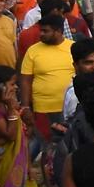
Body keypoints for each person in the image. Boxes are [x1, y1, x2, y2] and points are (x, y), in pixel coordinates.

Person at [19, 14, 75, 153]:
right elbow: (25, 80)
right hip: (43, 108)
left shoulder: (73, 48)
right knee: (47, 147)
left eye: (45, 31)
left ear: (58, 31)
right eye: (41, 30)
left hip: (69, 109)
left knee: (67, 146)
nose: (41, 34)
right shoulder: (33, 51)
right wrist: (25, 106)